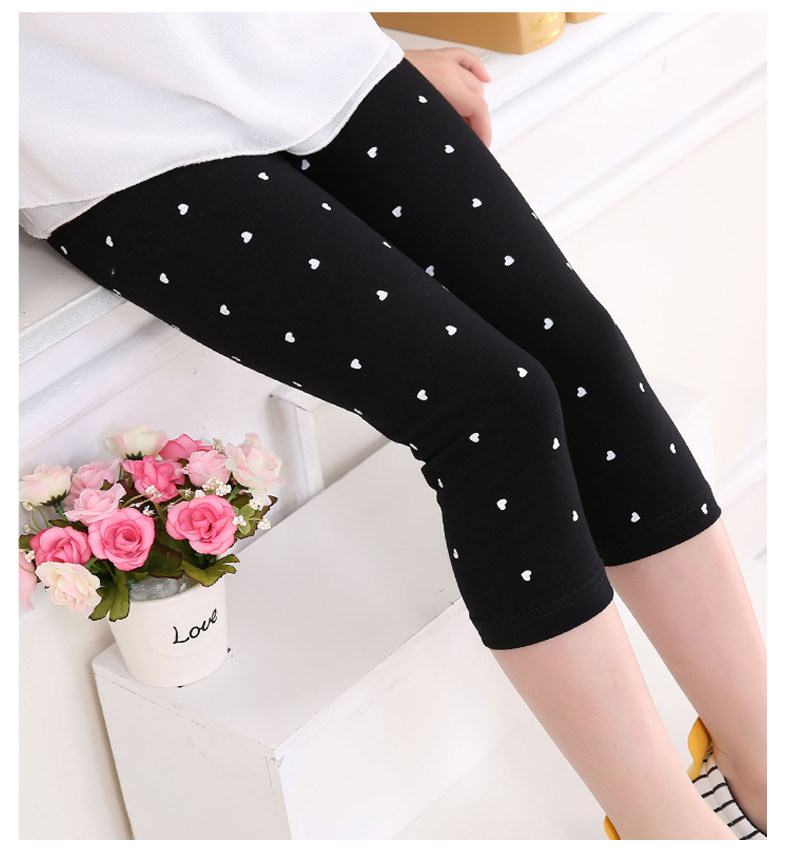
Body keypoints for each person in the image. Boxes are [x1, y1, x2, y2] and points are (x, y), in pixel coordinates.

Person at [19, 13, 766, 840]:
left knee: (582, 351)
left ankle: (765, 763)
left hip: (290, 45)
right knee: (494, 406)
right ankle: (667, 831)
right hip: (101, 123)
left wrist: (358, 34)